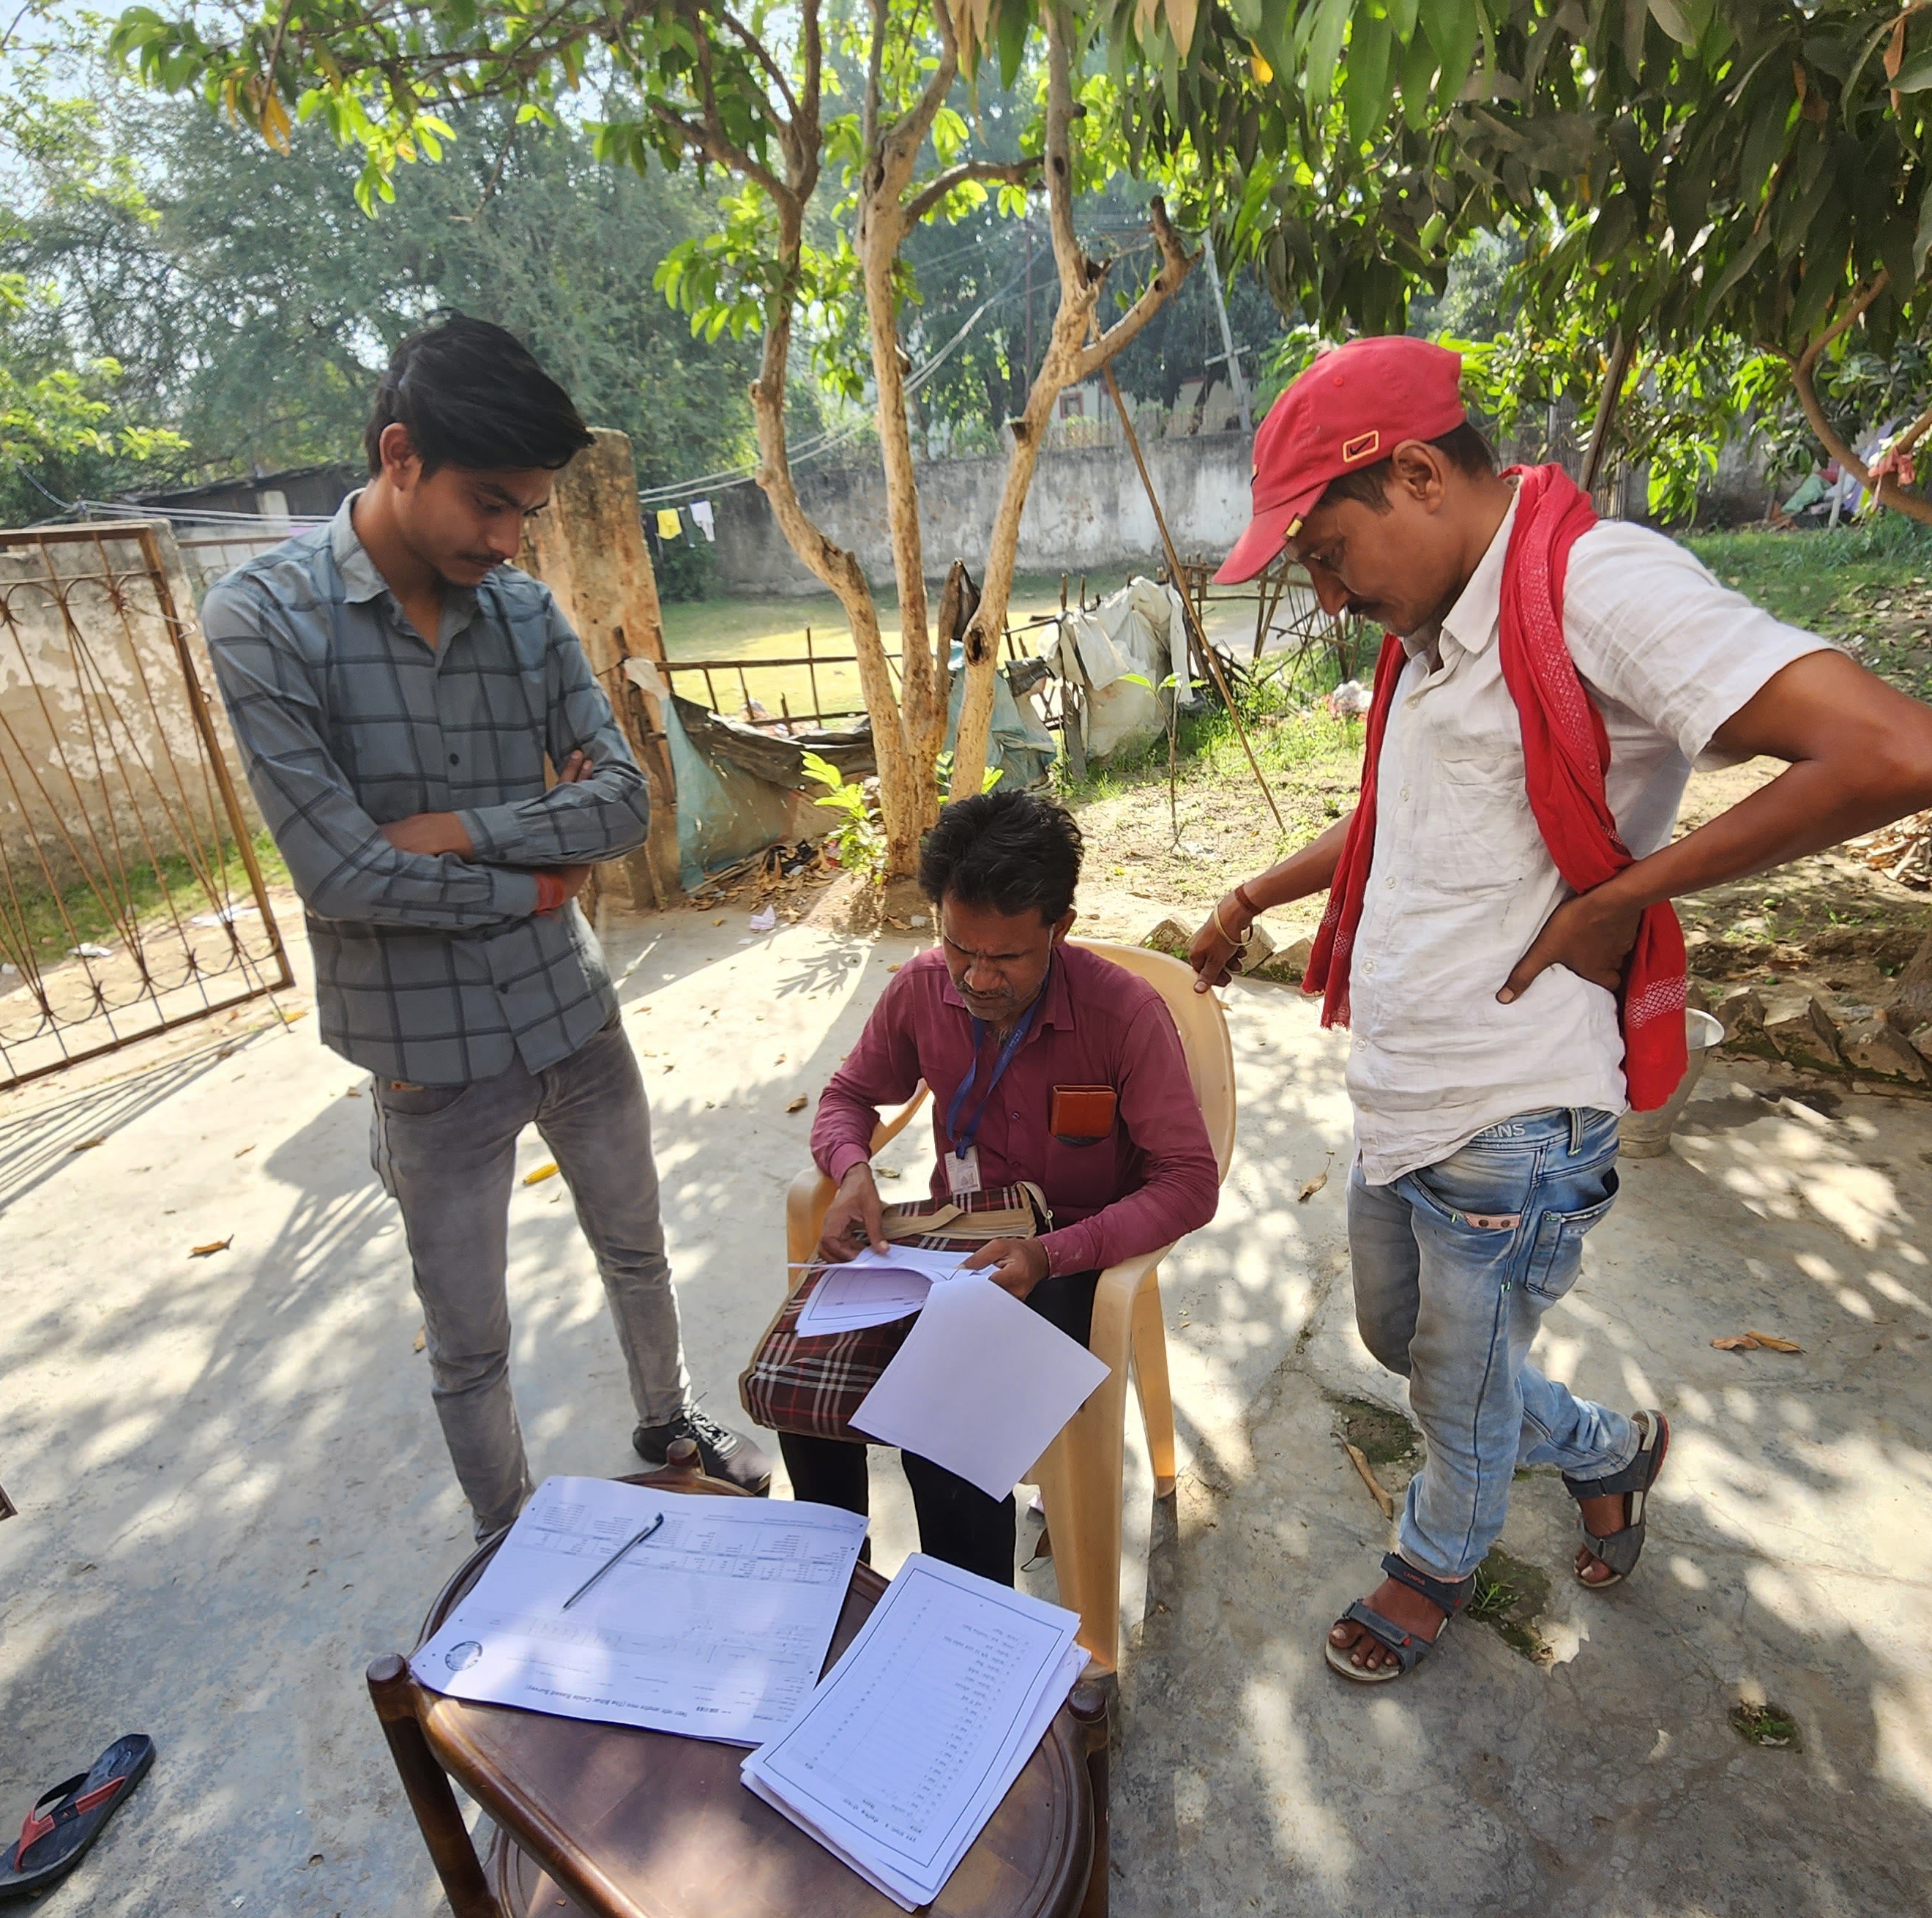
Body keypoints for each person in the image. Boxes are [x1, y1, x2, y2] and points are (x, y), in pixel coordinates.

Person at [1187, 337, 1932, 1683]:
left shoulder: (1595, 587)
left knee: (1454, 1385)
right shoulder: (1435, 643)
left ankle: (1432, 1564)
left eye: (1325, 553)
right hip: (1405, 1091)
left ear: (1418, 475)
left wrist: (1622, 902)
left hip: (1518, 1106)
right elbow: (1397, 825)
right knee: (1405, 1344)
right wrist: (1259, 893)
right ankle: (1611, 1451)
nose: (1325, 595)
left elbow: (1903, 752)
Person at [202, 314, 763, 1540]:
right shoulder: (264, 620)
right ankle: (509, 1540)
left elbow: (621, 802)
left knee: (639, 1250)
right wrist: (532, 868)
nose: (509, 541)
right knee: (469, 1337)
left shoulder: (524, 615)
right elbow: (342, 873)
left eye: (530, 516)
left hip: (572, 1011)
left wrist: (450, 830)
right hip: (425, 1056)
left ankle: (670, 1426)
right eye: (489, 505)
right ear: (400, 456)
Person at [793, 791, 1220, 1582]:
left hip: (1068, 1255)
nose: (976, 978)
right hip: (944, 1245)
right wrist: (852, 1170)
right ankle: (831, 1593)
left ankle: (971, 1632)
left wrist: (1052, 1255)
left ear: (1058, 928)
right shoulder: (924, 989)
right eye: (960, 947)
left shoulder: (1122, 1016)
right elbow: (847, 1096)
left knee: (947, 1441)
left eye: (1006, 958)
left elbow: (1190, 1182)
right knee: (805, 1387)